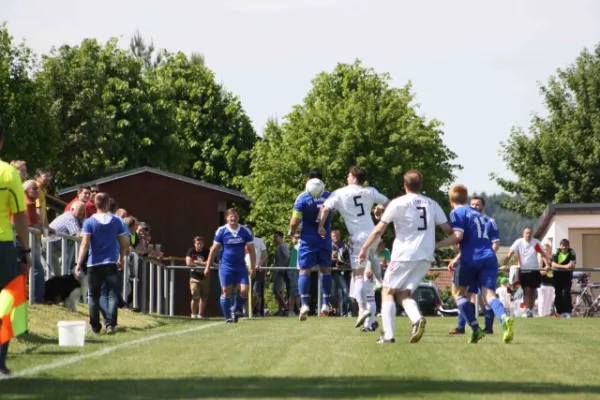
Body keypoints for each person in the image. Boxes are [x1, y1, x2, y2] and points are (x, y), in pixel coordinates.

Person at [359, 169, 452, 344]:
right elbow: (447, 229)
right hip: (425, 255)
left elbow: (380, 228)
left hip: (404, 255)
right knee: (403, 294)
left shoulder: (398, 203)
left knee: (387, 291)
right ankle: (417, 319)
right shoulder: (431, 203)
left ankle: (388, 335)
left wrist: (364, 248)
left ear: (404, 185)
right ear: (421, 185)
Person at [436, 184, 515, 344]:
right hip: (489, 257)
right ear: (466, 199)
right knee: (489, 295)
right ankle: (504, 318)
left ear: (451, 199)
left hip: (471, 258)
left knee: (458, 293)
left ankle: (475, 328)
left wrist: (437, 245)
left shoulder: (457, 212)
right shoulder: (477, 214)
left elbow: (458, 235)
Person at [319, 166, 390, 330]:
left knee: (358, 275)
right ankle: (371, 319)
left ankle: (362, 309)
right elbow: (389, 203)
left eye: (348, 175)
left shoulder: (339, 193)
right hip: (373, 234)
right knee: (369, 274)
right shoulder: (369, 191)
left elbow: (325, 208)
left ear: (352, 177)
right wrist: (381, 209)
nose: (347, 178)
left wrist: (321, 225)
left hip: (358, 238)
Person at [0, 121, 31, 376]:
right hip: (3, 245)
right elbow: (20, 217)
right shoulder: (9, 174)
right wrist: (27, 250)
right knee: (5, 301)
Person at [75, 193, 129, 335]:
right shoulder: (116, 221)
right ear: (107, 204)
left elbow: (85, 244)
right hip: (111, 262)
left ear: (95, 204)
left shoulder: (89, 222)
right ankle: (110, 324)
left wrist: (78, 263)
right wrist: (121, 258)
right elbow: (124, 243)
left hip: (94, 264)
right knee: (112, 294)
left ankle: (95, 325)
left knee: (93, 295)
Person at [447, 195, 500, 335]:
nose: (475, 206)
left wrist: (488, 255)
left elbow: (496, 243)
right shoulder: (467, 219)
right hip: (471, 259)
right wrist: (456, 258)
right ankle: (461, 326)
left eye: (478, 204)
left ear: (483, 206)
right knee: (467, 294)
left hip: (484, 261)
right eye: (473, 204)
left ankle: (488, 327)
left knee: (484, 297)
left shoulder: (489, 222)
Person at [288, 169, 332, 321]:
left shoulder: (303, 197)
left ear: (308, 180)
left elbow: (295, 220)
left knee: (304, 271)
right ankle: (326, 303)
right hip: (324, 237)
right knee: (326, 269)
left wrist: (291, 231)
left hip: (307, 239)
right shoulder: (329, 195)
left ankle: (305, 303)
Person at [205, 208, 256, 323]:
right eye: (231, 216)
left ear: (238, 218)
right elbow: (213, 250)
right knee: (225, 290)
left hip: (241, 266)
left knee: (244, 290)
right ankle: (228, 317)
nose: (233, 218)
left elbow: (251, 250)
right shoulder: (221, 231)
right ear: (226, 218)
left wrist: (252, 267)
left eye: (235, 216)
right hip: (226, 266)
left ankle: (234, 309)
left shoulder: (245, 231)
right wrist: (207, 266)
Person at [502, 227, 550, 318]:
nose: (528, 235)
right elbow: (510, 253)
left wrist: (547, 264)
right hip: (524, 270)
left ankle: (529, 310)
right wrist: (505, 264)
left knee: (533, 291)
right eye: (527, 233)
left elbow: (542, 253)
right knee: (527, 290)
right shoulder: (519, 242)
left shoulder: (536, 242)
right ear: (523, 234)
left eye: (530, 233)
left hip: (534, 270)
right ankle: (528, 310)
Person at [551, 239, 576, 318]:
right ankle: (559, 312)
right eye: (562, 245)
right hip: (557, 277)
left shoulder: (571, 251)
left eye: (566, 246)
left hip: (567, 277)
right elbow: (553, 264)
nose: (564, 247)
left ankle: (567, 312)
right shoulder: (556, 251)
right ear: (560, 246)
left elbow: (572, 265)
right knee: (558, 294)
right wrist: (565, 266)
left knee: (566, 293)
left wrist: (568, 266)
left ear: (568, 246)